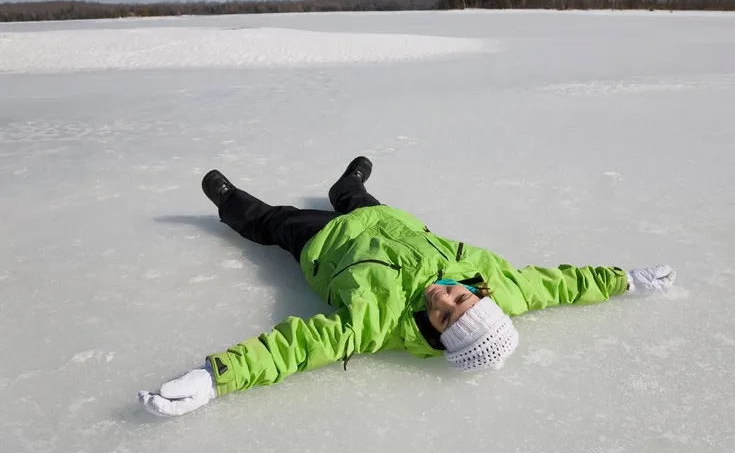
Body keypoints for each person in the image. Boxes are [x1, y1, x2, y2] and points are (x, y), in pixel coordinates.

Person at [139, 156, 676, 417]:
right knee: (356, 199)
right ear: (482, 295)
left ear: (437, 336)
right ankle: (348, 187)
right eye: (460, 298)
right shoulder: (502, 289)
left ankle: (230, 203)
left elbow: (300, 347)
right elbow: (560, 285)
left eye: (443, 315)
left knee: (273, 221)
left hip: (328, 244)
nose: (443, 297)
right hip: (392, 224)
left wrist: (217, 377)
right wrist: (625, 280)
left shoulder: (376, 326)